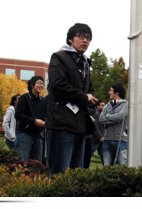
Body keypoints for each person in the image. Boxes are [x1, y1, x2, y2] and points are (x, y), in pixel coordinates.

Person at [45, 23, 98, 175]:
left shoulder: (85, 62)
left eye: (88, 38)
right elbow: (58, 84)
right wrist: (84, 98)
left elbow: (90, 90)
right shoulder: (59, 57)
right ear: (70, 39)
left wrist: (92, 101)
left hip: (80, 126)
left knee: (76, 177)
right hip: (61, 124)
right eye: (81, 36)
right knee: (59, 175)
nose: (85, 41)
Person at [15, 76, 46, 163]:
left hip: (38, 136)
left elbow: (45, 115)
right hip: (25, 134)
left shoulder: (43, 101)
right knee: (23, 163)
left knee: (37, 165)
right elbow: (18, 115)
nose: (41, 85)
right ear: (32, 85)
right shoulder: (24, 98)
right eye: (39, 83)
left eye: (43, 84)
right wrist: (34, 121)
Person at [99, 83, 128, 166]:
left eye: (111, 90)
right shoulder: (108, 105)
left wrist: (107, 117)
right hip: (107, 140)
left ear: (117, 93)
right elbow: (101, 119)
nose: (109, 92)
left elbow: (120, 116)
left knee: (123, 168)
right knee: (107, 168)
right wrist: (115, 119)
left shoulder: (126, 105)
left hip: (121, 141)